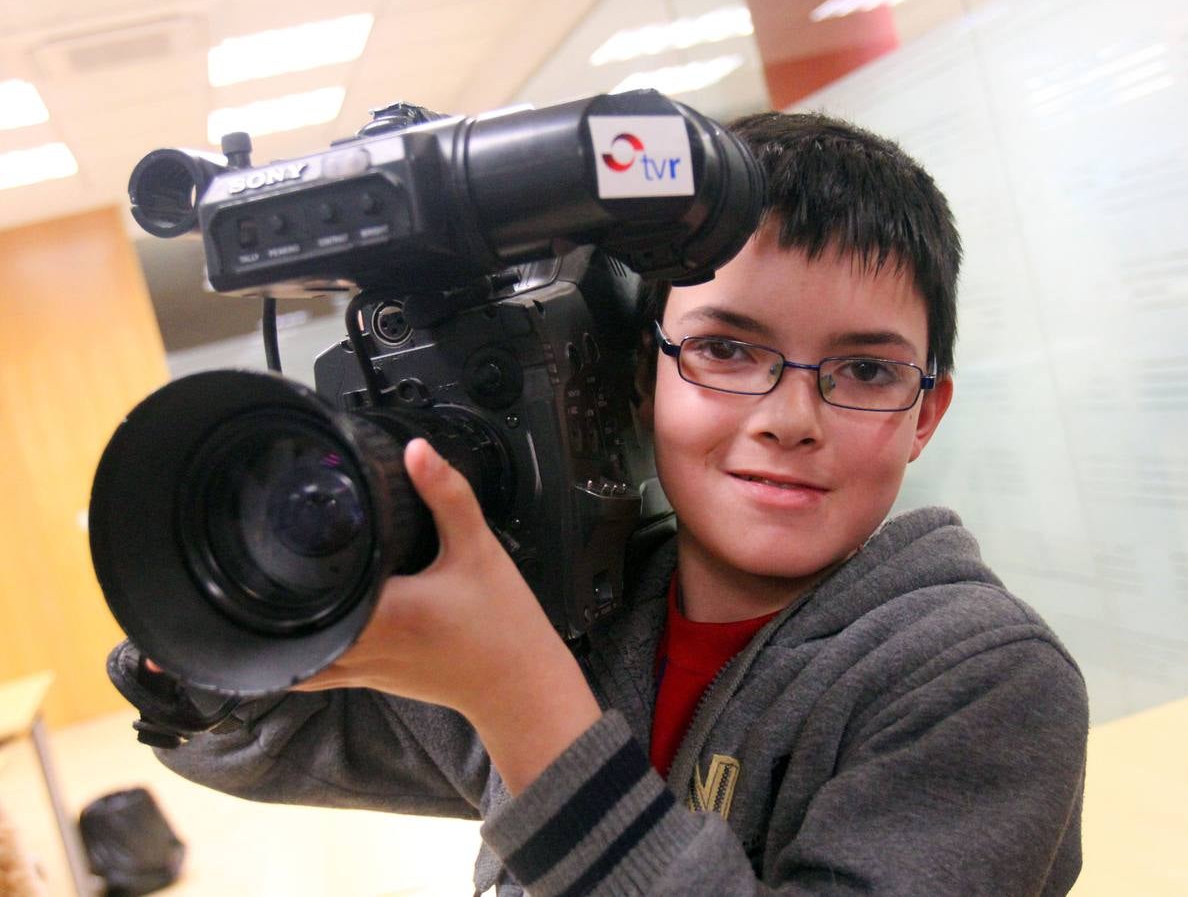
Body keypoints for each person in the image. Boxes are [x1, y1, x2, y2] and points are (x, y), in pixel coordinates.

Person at [154, 111, 1088, 895]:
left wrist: (516, 689)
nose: (790, 418)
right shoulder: (590, 617)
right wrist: (240, 589)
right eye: (726, 350)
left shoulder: (984, 681)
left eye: (868, 370)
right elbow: (266, 737)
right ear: (641, 379)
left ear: (926, 413)